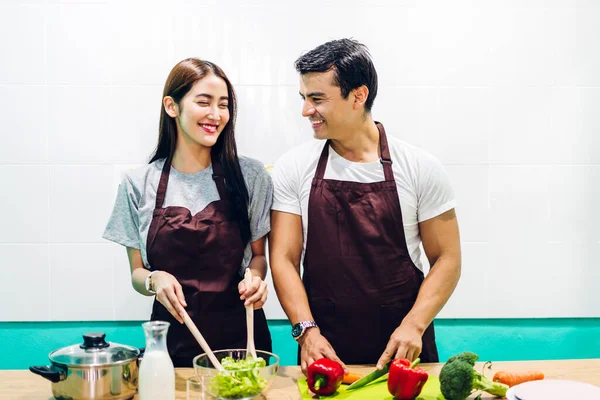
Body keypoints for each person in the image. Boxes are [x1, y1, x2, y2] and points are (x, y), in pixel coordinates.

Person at [269, 39, 461, 375]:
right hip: (325, 350)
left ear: (358, 96)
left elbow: (448, 258)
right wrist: (306, 332)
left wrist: (414, 326)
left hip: (405, 348)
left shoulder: (419, 166)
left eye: (317, 99)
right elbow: (283, 258)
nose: (306, 111)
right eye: (304, 99)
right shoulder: (293, 167)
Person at [103, 58, 273, 367]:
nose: (216, 115)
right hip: (171, 349)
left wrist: (257, 280)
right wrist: (155, 279)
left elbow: (258, 257)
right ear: (172, 106)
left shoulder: (252, 176)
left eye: (223, 105)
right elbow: (137, 274)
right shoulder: (138, 184)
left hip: (243, 347)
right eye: (204, 102)